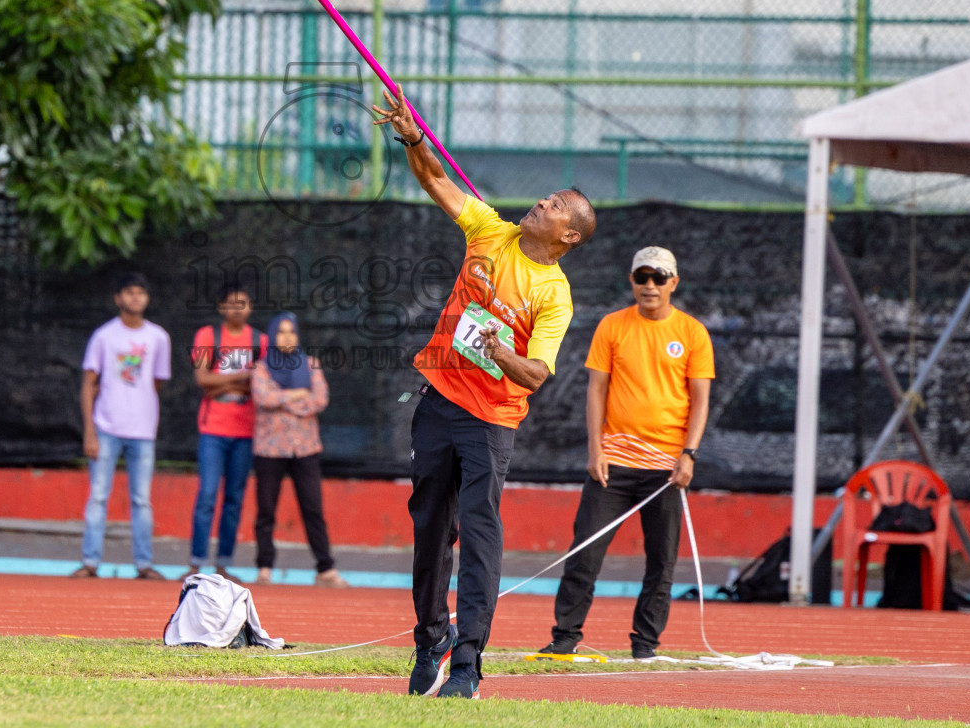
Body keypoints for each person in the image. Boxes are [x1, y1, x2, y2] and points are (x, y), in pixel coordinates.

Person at [372, 92, 595, 700]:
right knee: (428, 530)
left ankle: (468, 663)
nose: (541, 202)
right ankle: (430, 638)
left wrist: (495, 347)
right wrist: (412, 137)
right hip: (439, 401)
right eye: (545, 196)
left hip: (490, 420)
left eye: (554, 205)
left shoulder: (553, 294)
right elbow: (436, 181)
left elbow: (535, 375)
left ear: (568, 234)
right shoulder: (488, 230)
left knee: (478, 529)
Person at [541, 246, 714, 660]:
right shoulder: (612, 326)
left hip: (667, 468)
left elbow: (701, 399)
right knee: (584, 551)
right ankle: (565, 637)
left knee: (661, 562)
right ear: (632, 281)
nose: (650, 285)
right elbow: (596, 390)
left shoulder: (692, 333)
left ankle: (645, 644)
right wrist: (595, 448)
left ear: (674, 282)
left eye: (659, 277)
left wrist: (689, 454)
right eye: (642, 277)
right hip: (613, 462)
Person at [73, 272, 171, 581]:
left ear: (147, 298)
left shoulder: (159, 337)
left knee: (141, 499)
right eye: (129, 292)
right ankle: (90, 562)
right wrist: (90, 430)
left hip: (143, 431)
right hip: (106, 428)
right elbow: (89, 384)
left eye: (140, 293)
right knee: (98, 495)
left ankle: (144, 564)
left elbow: (155, 382)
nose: (135, 298)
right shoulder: (104, 336)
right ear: (118, 298)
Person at [250, 311, 346, 588]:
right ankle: (264, 567)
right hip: (269, 450)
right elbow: (262, 398)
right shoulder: (261, 368)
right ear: (272, 336)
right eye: (280, 332)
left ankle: (325, 568)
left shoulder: (311, 364)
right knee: (266, 511)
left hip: (306, 449)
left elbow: (319, 400)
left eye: (291, 331)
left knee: (313, 509)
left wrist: (282, 400)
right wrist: (296, 395)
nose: (287, 337)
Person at [185, 285, 265, 582]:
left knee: (234, 498)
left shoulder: (261, 341)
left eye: (243, 303)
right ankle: (195, 561)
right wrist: (241, 377)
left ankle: (223, 563)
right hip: (213, 429)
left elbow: (261, 382)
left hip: (245, 430)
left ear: (250, 307)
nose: (237, 309)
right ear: (221, 307)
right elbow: (203, 379)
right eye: (231, 304)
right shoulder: (208, 336)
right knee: (207, 494)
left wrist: (223, 382)